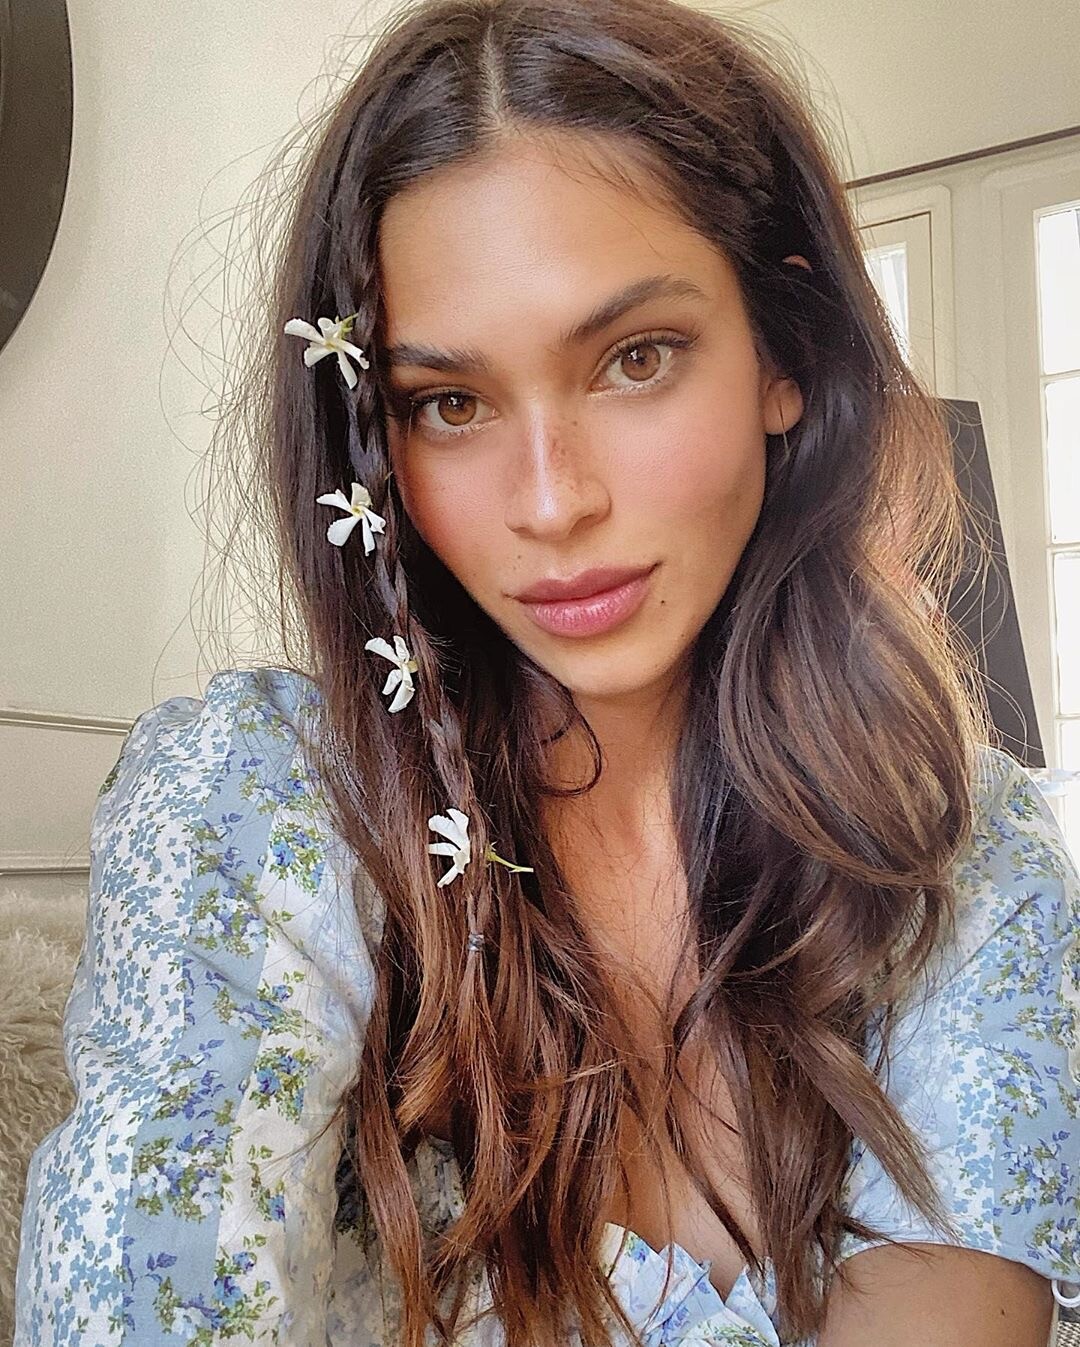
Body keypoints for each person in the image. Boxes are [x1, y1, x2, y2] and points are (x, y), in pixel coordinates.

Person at [13, 0, 1080, 1343]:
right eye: (449, 404)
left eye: (636, 359)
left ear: (786, 356)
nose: (551, 501)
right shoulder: (261, 807)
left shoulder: (958, 853)